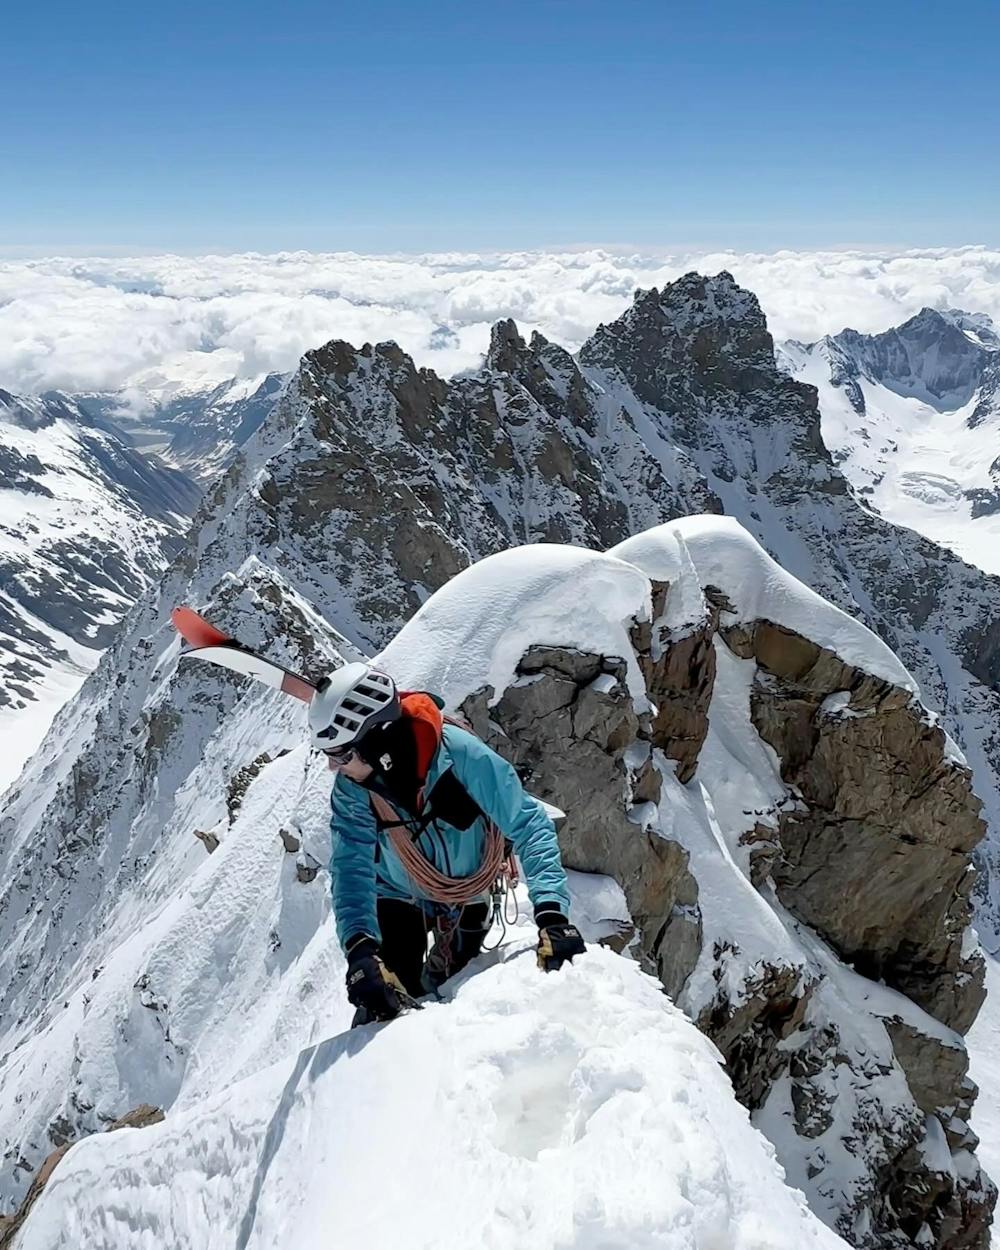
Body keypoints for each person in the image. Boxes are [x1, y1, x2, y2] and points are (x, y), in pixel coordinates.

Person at [311, 661, 585, 1024]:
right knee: (383, 1004)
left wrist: (551, 913)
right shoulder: (353, 790)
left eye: (342, 754)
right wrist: (360, 947)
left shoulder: (459, 756)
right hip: (395, 891)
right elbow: (351, 867)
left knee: (463, 995)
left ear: (380, 743)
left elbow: (528, 823)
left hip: (468, 892)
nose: (333, 767)